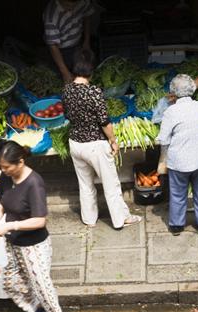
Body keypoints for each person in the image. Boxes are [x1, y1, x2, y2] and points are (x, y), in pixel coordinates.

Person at [0, 141, 67, 312]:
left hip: (34, 245)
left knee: (42, 285)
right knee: (11, 283)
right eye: (1, 166)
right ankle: (38, 308)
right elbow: (1, 203)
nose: (3, 170)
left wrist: (10, 225)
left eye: (6, 166)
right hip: (13, 242)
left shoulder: (34, 183)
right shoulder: (6, 178)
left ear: (20, 162)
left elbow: (40, 220)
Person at [61, 51, 141, 230]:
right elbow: (104, 121)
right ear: (91, 72)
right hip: (95, 145)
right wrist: (113, 140)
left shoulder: (66, 90)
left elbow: (67, 115)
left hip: (75, 143)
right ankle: (120, 219)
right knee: (111, 184)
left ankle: (89, 219)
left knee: (85, 184)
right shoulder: (94, 92)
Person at [156, 74, 198, 235]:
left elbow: (164, 139)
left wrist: (163, 160)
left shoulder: (170, 112)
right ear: (192, 90)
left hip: (179, 162)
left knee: (178, 193)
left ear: (172, 93)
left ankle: (176, 225)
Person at [44, 0, 96, 83]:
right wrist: (64, 72)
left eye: (74, 5)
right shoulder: (51, 16)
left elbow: (87, 16)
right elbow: (52, 46)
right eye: (67, 5)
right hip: (60, 51)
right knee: (63, 79)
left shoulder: (82, 2)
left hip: (77, 44)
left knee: (80, 76)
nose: (71, 9)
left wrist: (86, 42)